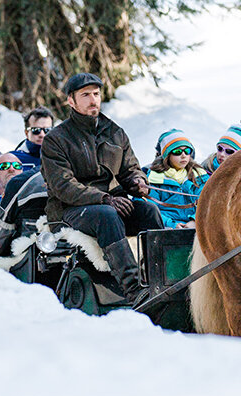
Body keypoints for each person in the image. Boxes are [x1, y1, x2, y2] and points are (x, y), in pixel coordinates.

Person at [41, 72, 162, 304]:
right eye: (85, 95)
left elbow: (130, 169)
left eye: (96, 94)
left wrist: (138, 182)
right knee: (106, 215)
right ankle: (134, 290)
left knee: (149, 212)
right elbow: (63, 186)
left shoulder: (115, 132)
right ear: (71, 101)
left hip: (113, 204)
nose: (93, 99)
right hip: (71, 209)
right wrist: (104, 198)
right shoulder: (56, 139)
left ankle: (160, 280)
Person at [146, 129, 209, 228]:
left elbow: (207, 202)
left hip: (197, 225)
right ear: (167, 155)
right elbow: (149, 208)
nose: (183, 155)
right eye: (177, 151)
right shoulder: (154, 178)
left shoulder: (199, 176)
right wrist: (172, 224)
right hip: (165, 228)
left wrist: (194, 220)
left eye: (187, 151)